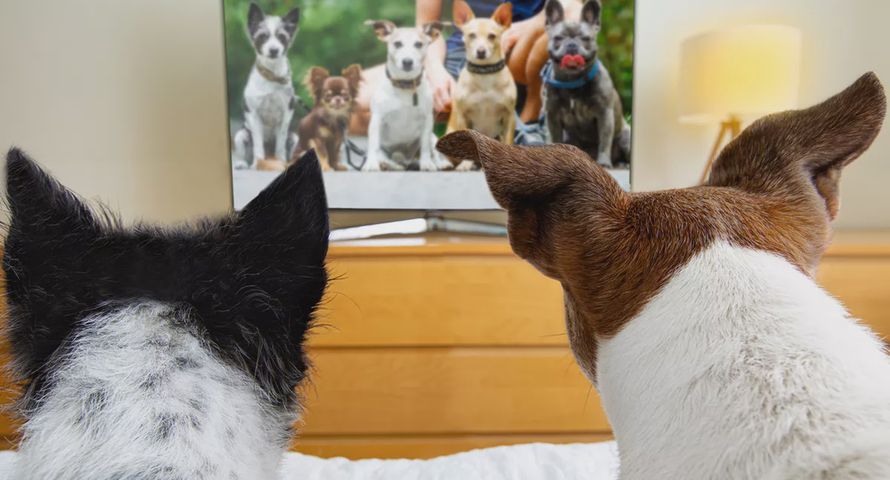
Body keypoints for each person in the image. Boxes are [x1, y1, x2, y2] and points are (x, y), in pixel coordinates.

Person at [350, 0, 582, 145]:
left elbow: (569, 6)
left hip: (520, 53)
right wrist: (435, 72)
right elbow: (427, 26)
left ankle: (532, 122)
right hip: (462, 52)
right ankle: (447, 135)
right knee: (355, 105)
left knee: (573, 10)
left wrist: (522, 28)